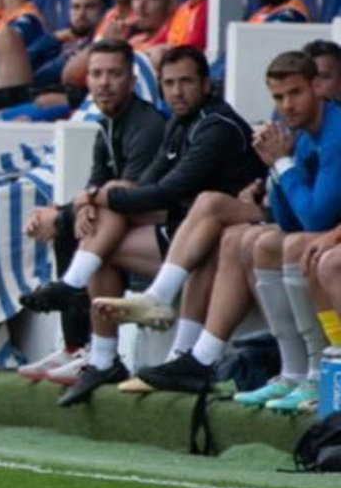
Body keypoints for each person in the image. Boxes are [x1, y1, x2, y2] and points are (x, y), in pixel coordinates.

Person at [20, 48, 261, 401]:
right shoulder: (175, 123)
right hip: (187, 233)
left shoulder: (215, 125)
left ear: (206, 84)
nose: (177, 92)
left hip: (220, 234)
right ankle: (102, 359)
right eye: (169, 84)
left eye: (186, 82)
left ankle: (171, 341)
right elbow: (143, 185)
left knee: (128, 201)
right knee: (108, 233)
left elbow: (165, 191)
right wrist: (93, 198)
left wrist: (93, 198)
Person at [106, 52, 341, 399]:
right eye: (278, 97)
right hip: (302, 231)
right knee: (246, 240)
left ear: (317, 86)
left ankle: (313, 374)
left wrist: (283, 163)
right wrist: (275, 171)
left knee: (277, 241)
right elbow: (290, 219)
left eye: (295, 93)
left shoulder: (332, 132)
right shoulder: (302, 135)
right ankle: (293, 374)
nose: (287, 106)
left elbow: (314, 218)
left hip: (323, 235)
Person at [20, 41, 166, 373]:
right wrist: (77, 205)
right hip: (127, 222)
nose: (104, 82)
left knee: (82, 225)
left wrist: (77, 206)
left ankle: (79, 316)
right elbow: (95, 184)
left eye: (114, 74)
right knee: (74, 220)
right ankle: (74, 347)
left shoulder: (147, 125)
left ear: (131, 80)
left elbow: (130, 193)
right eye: (97, 74)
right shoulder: (106, 126)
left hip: (163, 230)